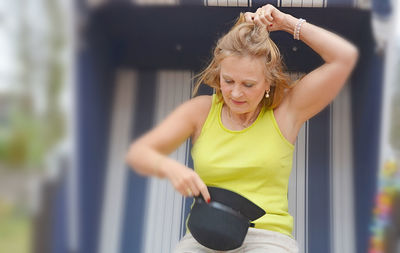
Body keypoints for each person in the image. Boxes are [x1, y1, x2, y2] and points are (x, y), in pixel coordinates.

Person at [125, 4, 358, 253]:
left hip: (267, 238)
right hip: (205, 237)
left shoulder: (286, 111)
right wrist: (169, 167)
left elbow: (345, 57)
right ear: (219, 74)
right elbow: (138, 153)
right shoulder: (201, 111)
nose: (235, 93)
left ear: (268, 82)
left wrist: (288, 23)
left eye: (248, 84)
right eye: (228, 81)